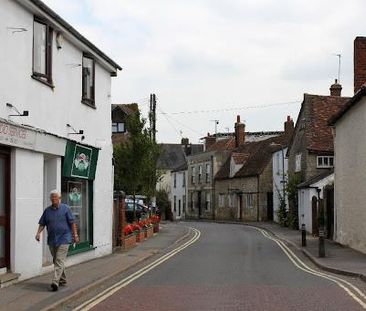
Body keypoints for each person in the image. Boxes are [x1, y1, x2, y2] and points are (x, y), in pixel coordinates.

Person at [35, 190, 79, 291]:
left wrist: (75, 235)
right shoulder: (47, 211)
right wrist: (38, 233)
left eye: (56, 197)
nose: (54, 199)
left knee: (59, 260)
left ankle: (55, 282)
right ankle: (62, 280)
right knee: (57, 260)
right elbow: (42, 223)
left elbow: (72, 223)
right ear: (50, 199)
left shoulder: (66, 209)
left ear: (59, 198)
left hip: (64, 238)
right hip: (52, 239)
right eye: (52, 197)